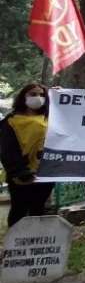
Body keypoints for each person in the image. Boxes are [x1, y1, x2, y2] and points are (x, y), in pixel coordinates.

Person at [0, 84, 54, 227]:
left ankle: (34, 242)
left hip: (45, 174)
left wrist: (59, 96)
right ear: (23, 97)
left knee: (38, 209)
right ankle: (14, 245)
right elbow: (7, 150)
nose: (38, 98)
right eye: (33, 94)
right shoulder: (11, 122)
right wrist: (21, 172)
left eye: (42, 95)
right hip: (21, 176)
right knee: (19, 210)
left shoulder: (51, 118)